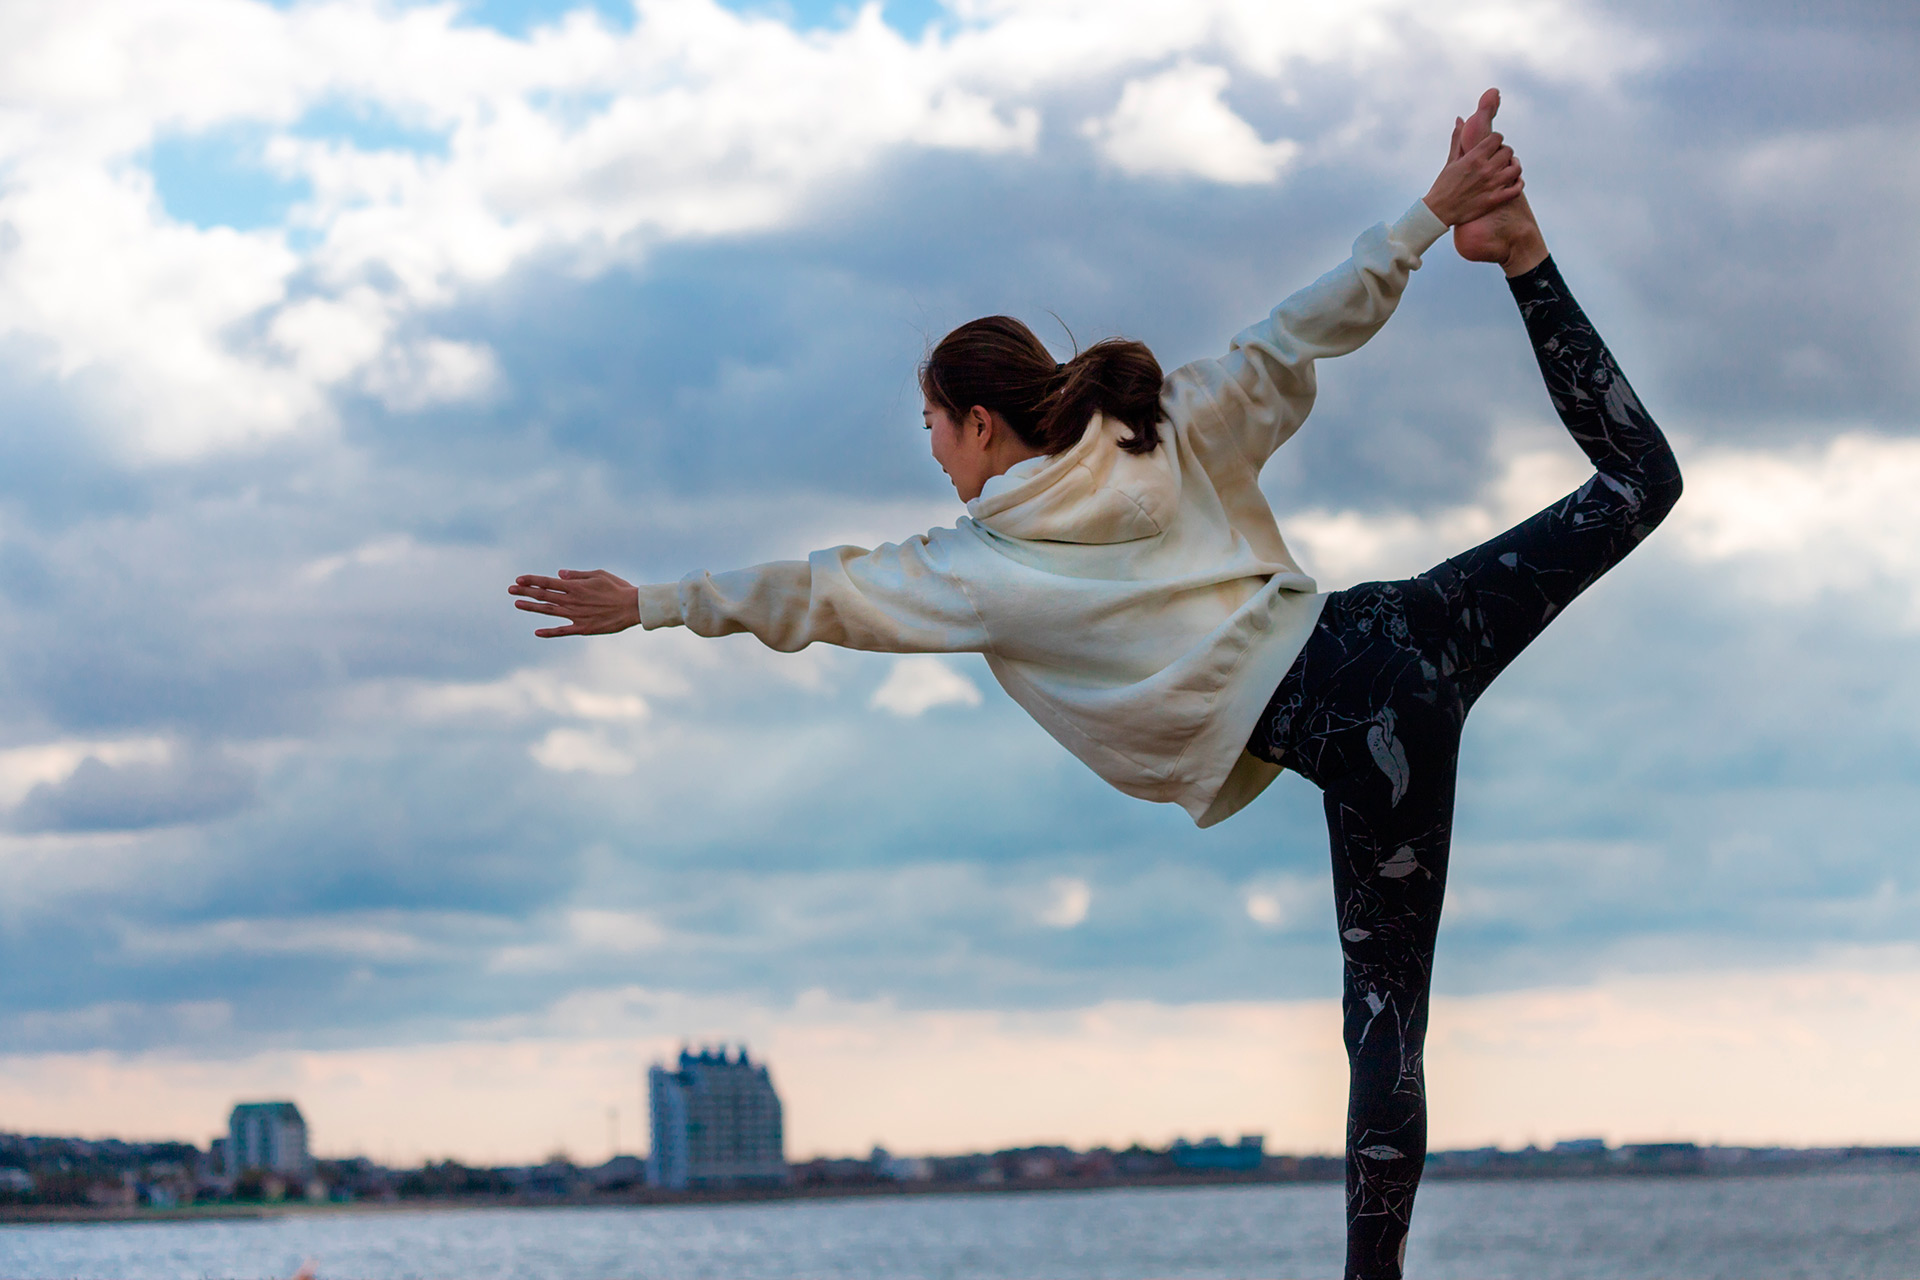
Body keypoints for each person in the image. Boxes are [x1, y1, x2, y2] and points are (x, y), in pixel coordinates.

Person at [508, 91, 1680, 1280]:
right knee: (1641, 483)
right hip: (1401, 634)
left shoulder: (978, 565)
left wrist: (653, 600)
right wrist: (1434, 218)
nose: (927, 450)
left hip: (1359, 725)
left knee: (1384, 1027)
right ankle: (1522, 252)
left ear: (977, 423)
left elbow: (818, 594)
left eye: (929, 425)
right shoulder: (1151, 427)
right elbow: (1290, 337)